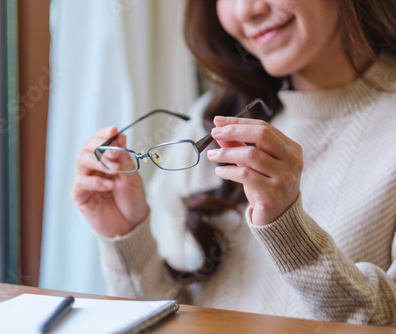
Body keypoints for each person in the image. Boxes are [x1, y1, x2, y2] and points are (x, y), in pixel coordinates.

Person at [71, 0, 396, 326]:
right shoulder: (206, 124)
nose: (245, 11)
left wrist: (289, 231)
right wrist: (127, 237)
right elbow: (168, 319)